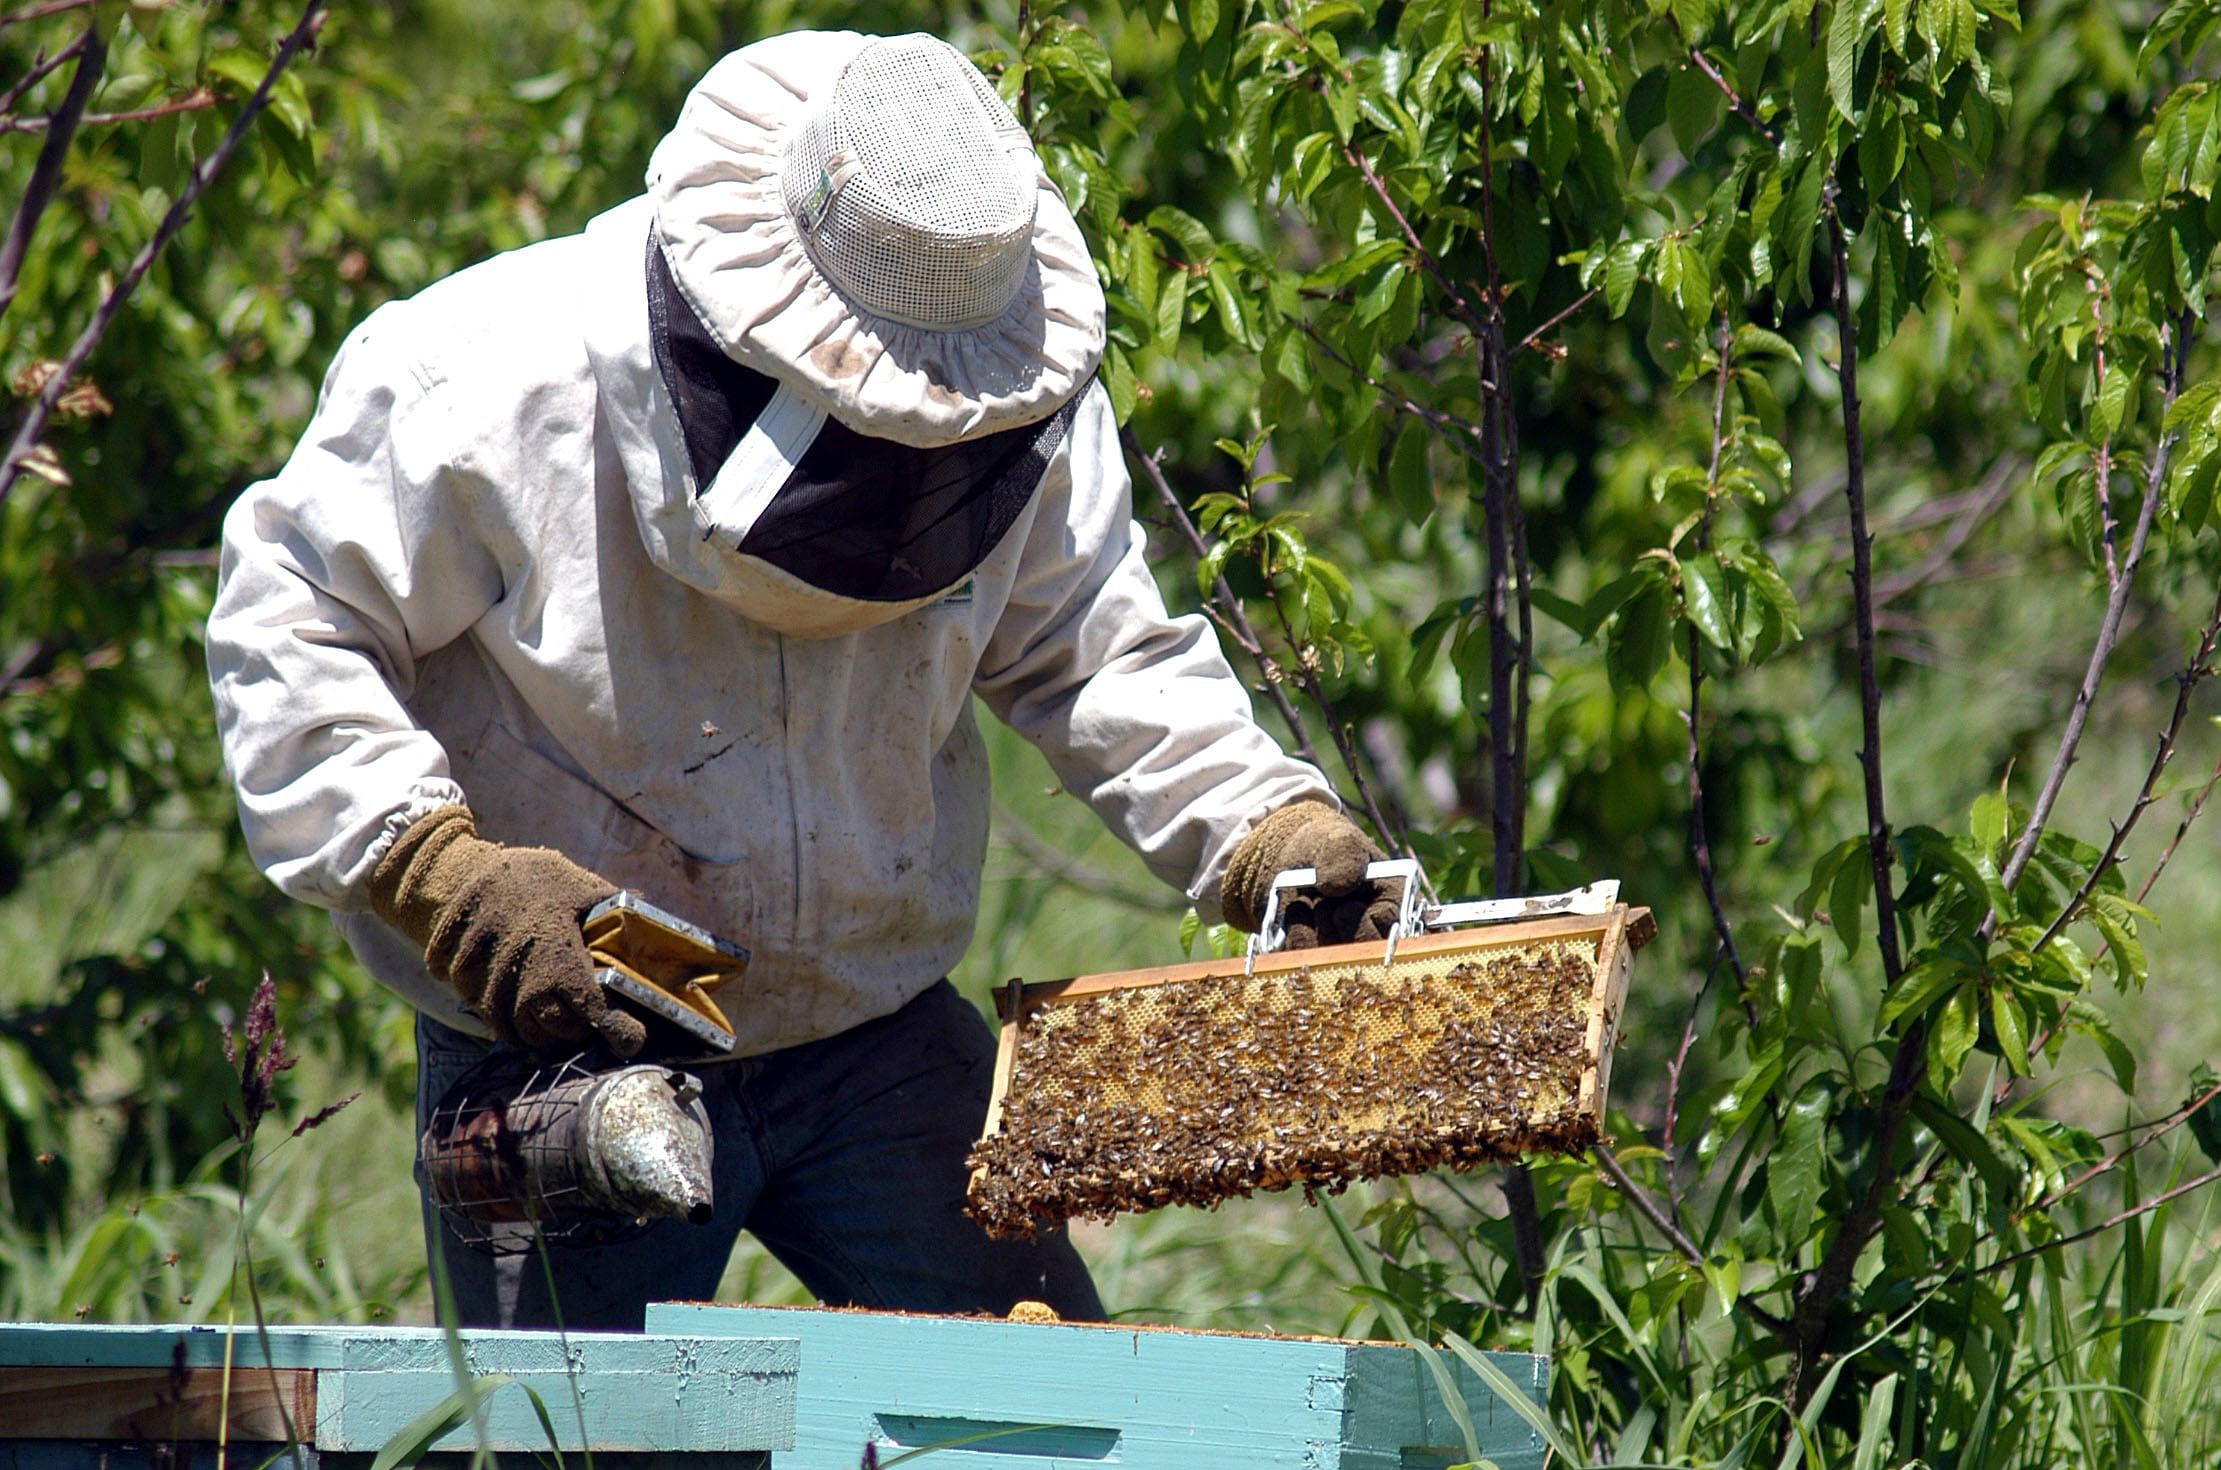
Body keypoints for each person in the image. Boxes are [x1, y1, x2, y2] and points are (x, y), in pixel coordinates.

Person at [206, 29, 1399, 1330]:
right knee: (594, 1466)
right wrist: (439, 874)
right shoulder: (481, 379)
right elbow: (291, 625)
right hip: (570, 1036)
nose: (908, 479)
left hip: (869, 1026)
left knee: (1050, 1423)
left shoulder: (1003, 398)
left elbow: (1098, 648)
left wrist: (1263, 831)